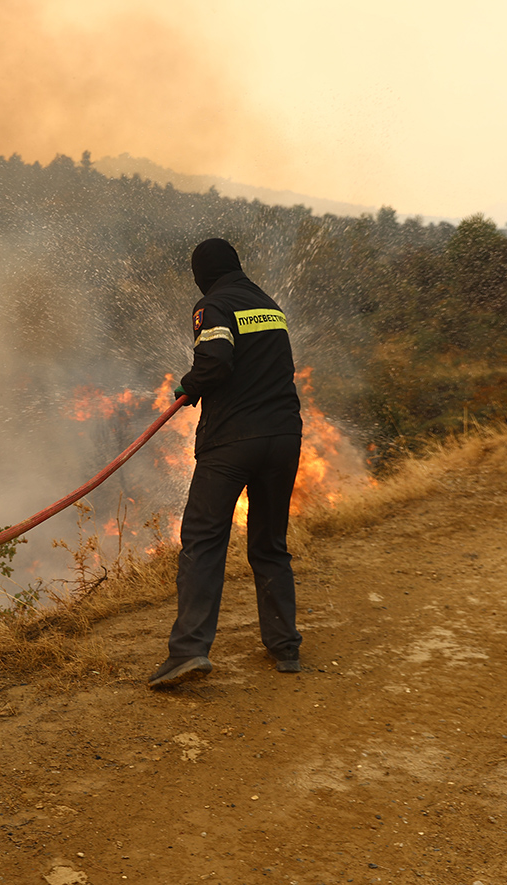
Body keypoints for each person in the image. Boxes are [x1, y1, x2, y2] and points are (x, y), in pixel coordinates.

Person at [148, 239, 303, 688]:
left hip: (233, 442)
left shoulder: (212, 305)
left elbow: (215, 360)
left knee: (203, 540)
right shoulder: (267, 304)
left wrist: (188, 386)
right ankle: (285, 646)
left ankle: (188, 652)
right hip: (284, 438)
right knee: (269, 544)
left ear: (203, 275)